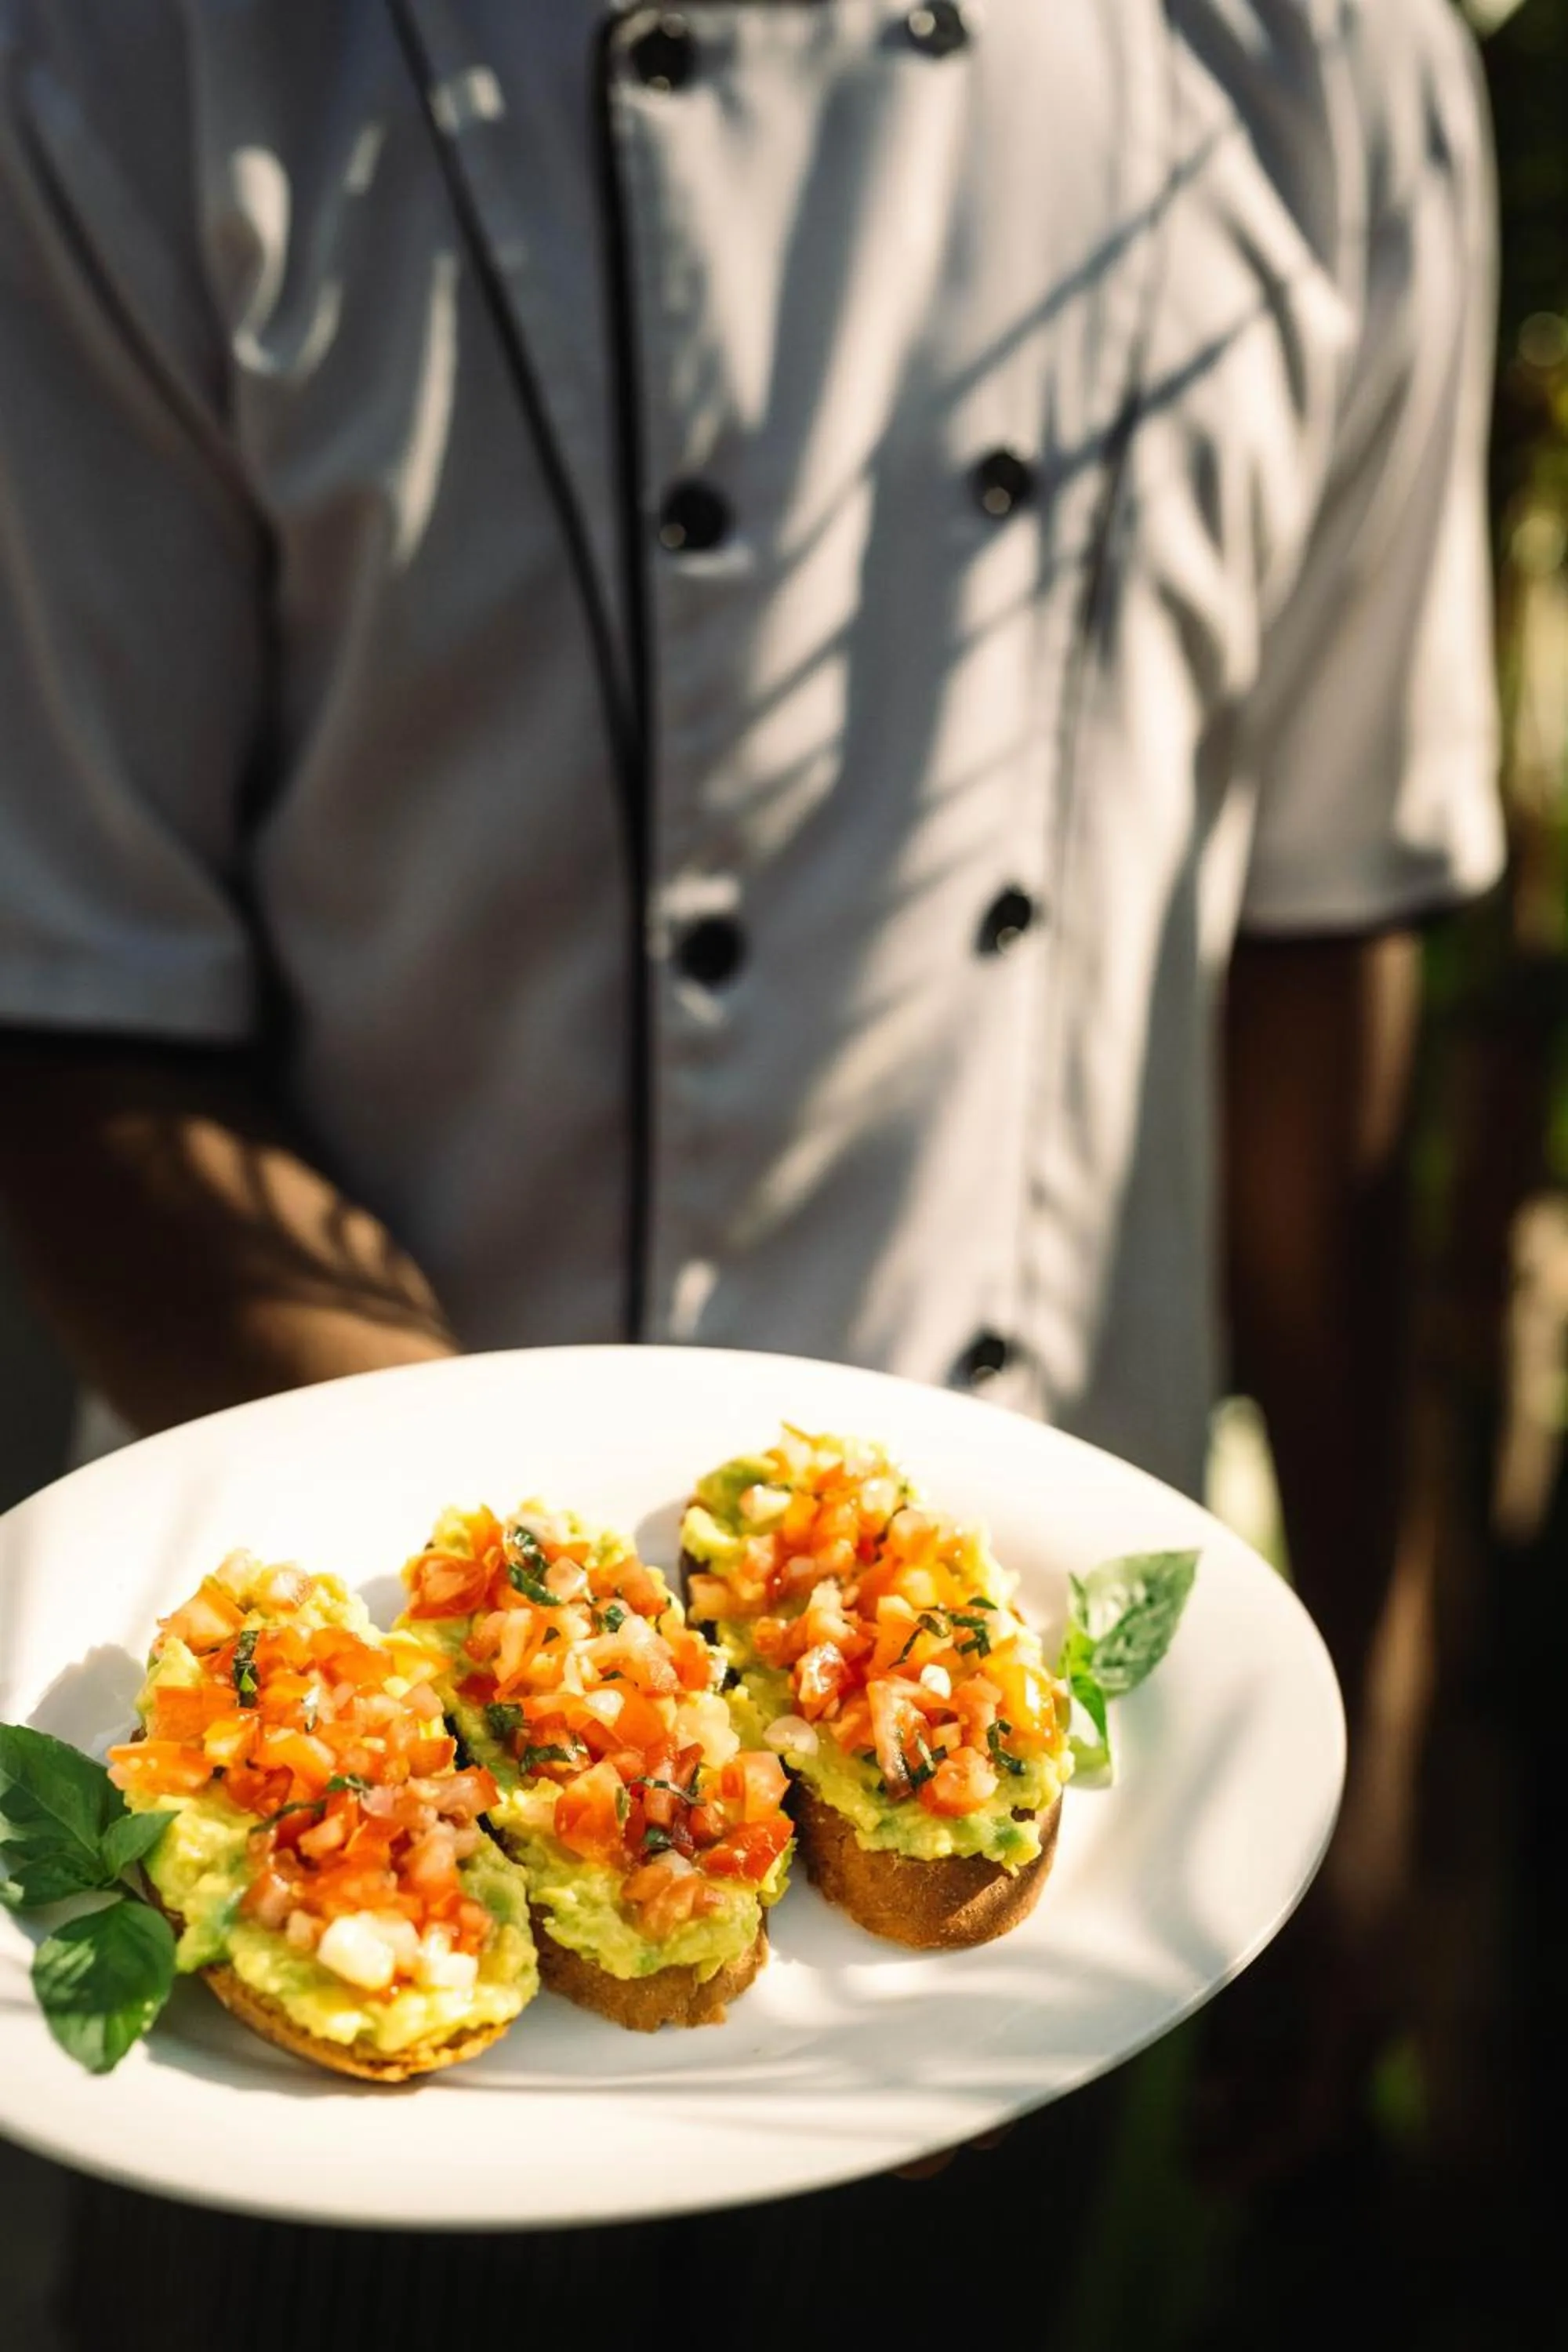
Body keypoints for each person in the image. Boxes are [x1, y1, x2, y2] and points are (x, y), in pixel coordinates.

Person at [0, 0, 1501, 2272]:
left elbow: (1323, 939)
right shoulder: (143, 68)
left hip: (1047, 1923)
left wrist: (1366, 1707)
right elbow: (63, 994)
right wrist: (448, 1694)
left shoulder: (1335, 68)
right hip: (319, 2033)